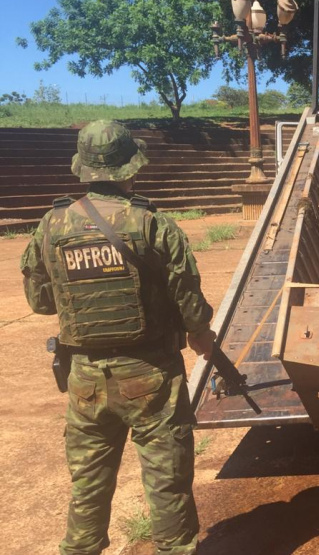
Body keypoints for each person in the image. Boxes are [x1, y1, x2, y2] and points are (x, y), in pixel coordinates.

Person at [20, 120, 217, 555]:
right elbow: (188, 298)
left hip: (84, 379)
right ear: (132, 167)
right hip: (152, 374)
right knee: (167, 481)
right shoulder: (153, 223)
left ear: (84, 167)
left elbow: (41, 301)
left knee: (88, 485)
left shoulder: (51, 224)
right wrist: (200, 334)